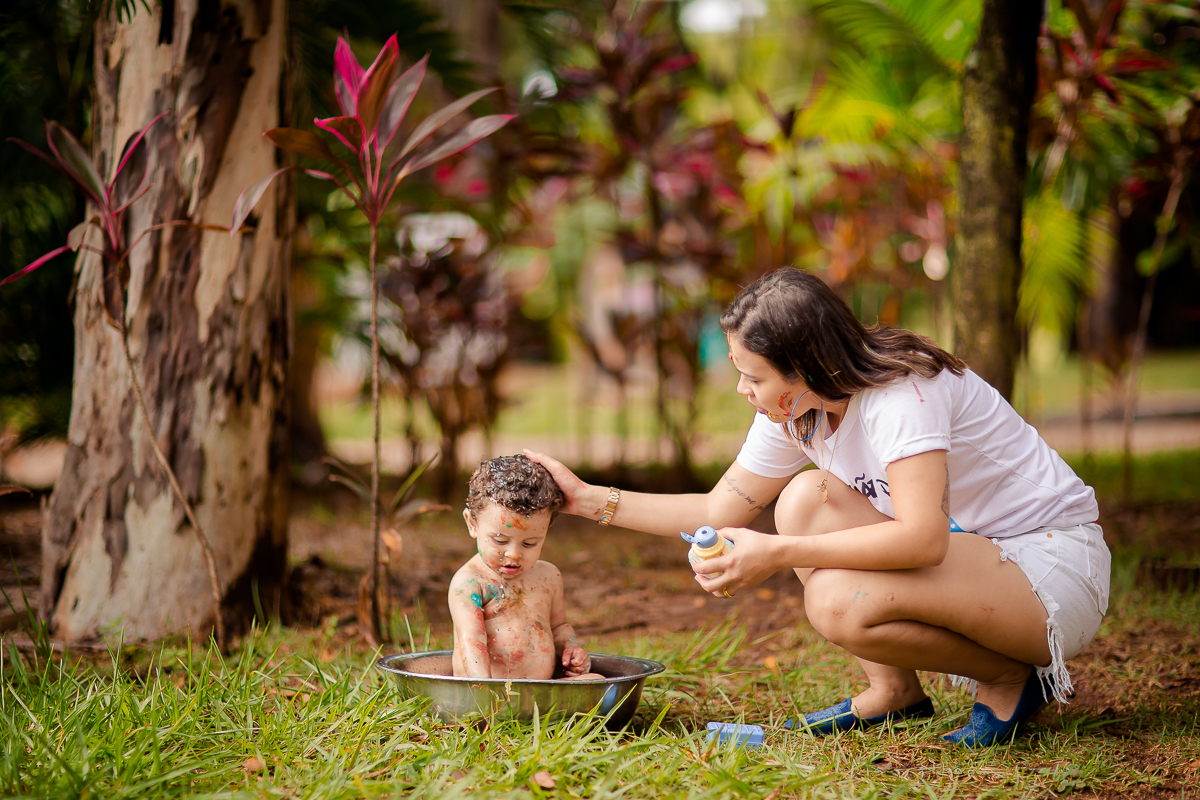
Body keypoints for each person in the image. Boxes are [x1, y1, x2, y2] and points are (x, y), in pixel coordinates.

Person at [527, 267, 1110, 746]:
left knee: (837, 601)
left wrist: (777, 554)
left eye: (751, 375)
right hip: (975, 561)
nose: (743, 391)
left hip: (1048, 570)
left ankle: (1012, 677)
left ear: (804, 368)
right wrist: (582, 498)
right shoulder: (799, 410)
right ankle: (893, 694)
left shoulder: (902, 396)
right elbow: (717, 506)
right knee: (806, 496)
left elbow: (922, 540)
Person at [449, 454, 604, 680]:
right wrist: (484, 692)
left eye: (530, 543)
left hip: (541, 691)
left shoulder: (549, 576)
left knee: (596, 683)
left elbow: (559, 626)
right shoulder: (470, 582)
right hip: (491, 693)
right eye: (500, 541)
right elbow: (472, 642)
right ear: (472, 524)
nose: (514, 553)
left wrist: (571, 649)